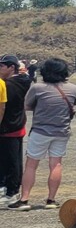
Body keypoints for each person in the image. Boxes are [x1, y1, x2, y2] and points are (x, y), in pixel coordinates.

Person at [12, 58, 76, 211]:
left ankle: (24, 199)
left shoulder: (38, 87)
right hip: (62, 131)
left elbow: (27, 106)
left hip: (41, 130)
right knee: (56, 164)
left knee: (31, 165)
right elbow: (73, 104)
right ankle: (51, 199)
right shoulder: (73, 88)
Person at [1, 55, 32, 204]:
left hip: (8, 126)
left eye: (2, 66)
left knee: (10, 161)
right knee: (13, 160)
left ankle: (11, 191)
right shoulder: (23, 81)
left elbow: (3, 107)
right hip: (18, 125)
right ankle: (10, 189)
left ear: (11, 67)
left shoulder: (8, 85)